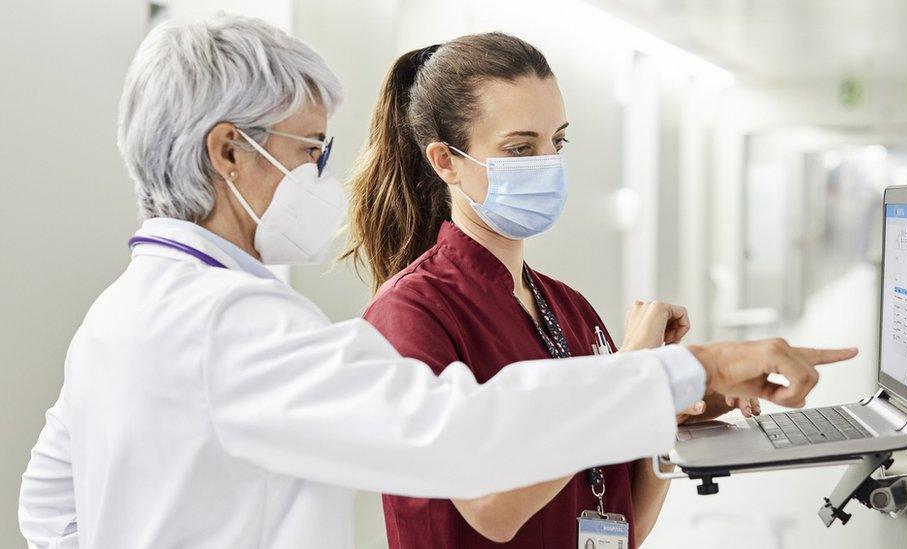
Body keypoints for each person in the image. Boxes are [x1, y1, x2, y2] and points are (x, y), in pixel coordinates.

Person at [18, 14, 856, 549]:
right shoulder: (231, 324)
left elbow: (48, 508)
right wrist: (686, 368)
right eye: (310, 148)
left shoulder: (122, 312)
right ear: (228, 150)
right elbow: (464, 439)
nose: (322, 173)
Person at [343, 33, 763, 548]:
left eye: (556, 142)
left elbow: (622, 524)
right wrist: (629, 374)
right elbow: (493, 511)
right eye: (520, 148)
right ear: (445, 161)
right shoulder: (410, 314)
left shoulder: (569, 309)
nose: (547, 162)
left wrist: (665, 404)